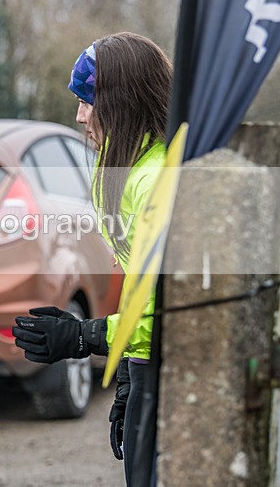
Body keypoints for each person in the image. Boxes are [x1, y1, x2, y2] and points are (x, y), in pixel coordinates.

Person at [11, 32, 172, 486]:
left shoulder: (155, 181)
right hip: (149, 369)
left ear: (122, 103)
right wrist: (127, 372)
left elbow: (173, 311)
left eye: (88, 100)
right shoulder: (127, 169)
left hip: (175, 379)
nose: (80, 114)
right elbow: (144, 292)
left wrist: (88, 335)